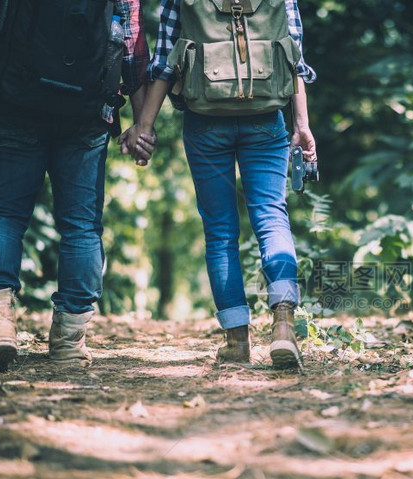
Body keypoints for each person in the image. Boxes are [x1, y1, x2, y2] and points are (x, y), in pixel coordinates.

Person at [0, 0, 150, 369]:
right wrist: (142, 123)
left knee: (4, 215)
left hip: (13, 99)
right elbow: (133, 45)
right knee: (81, 226)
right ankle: (69, 344)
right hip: (87, 111)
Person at [123, 0, 317, 369]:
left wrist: (144, 126)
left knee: (220, 231)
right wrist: (302, 125)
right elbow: (295, 58)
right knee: (272, 217)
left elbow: (165, 63)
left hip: (205, 121)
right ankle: (283, 327)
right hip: (265, 117)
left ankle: (236, 340)